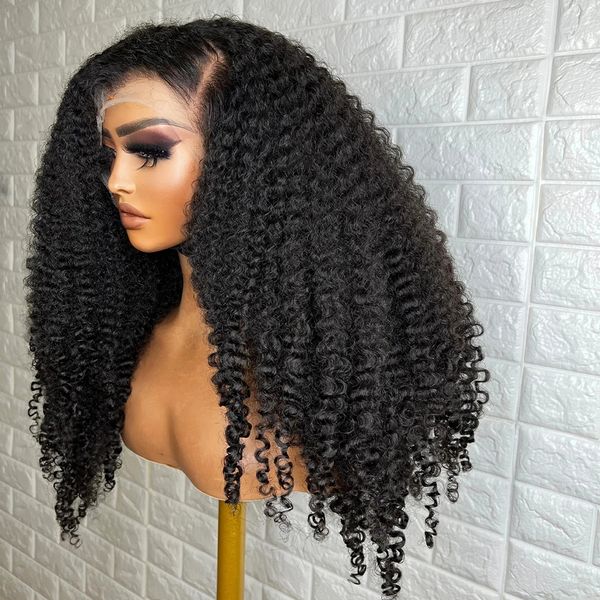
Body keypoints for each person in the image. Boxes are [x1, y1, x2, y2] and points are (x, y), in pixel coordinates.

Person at [24, 15, 490, 599]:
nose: (116, 180)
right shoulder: (132, 341)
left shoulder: (323, 372)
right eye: (108, 155)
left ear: (253, 160)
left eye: (149, 151)